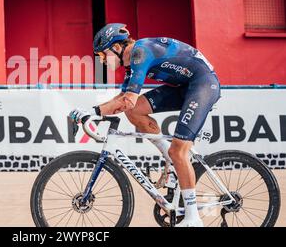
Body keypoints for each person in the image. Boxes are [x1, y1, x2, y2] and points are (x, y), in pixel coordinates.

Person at [69, 23, 221, 227]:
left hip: (203, 84)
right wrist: (92, 111)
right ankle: (169, 157)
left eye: (103, 55)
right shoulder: (132, 63)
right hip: (185, 86)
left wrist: (92, 112)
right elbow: (125, 99)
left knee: (179, 152)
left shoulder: (140, 52)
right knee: (134, 111)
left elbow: (126, 100)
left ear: (116, 47)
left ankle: (193, 219)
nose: (102, 61)